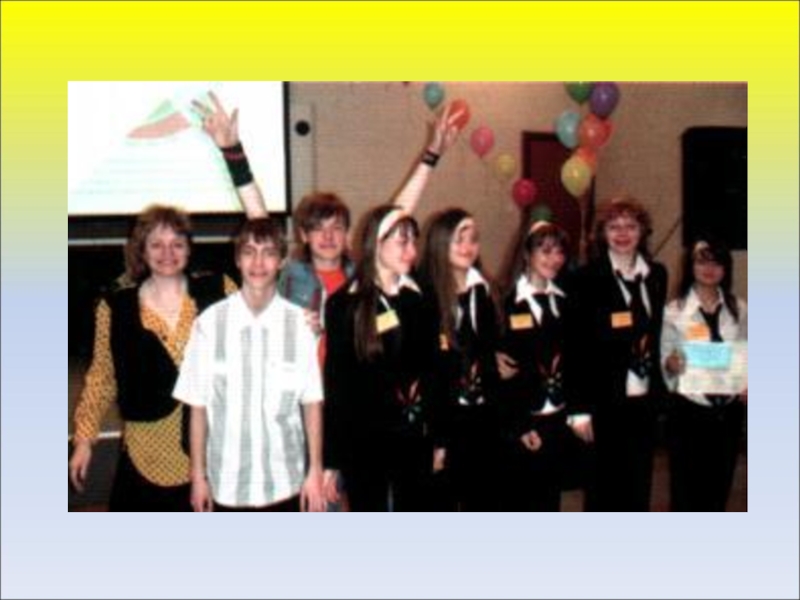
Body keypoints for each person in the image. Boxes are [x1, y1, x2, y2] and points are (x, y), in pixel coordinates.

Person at [195, 92, 461, 509]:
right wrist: (233, 151)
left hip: (351, 410)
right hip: (300, 409)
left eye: (337, 227)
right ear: (303, 235)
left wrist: (432, 154)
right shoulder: (287, 275)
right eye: (317, 228)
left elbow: (396, 216)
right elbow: (258, 216)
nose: (328, 236)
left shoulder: (362, 280)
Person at [68, 205, 252, 511]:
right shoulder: (115, 308)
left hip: (214, 453)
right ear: (142, 250)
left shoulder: (221, 291)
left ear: (189, 249)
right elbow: (101, 379)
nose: (168, 253)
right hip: (145, 455)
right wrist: (85, 441)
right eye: (156, 244)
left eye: (177, 244)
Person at [173, 218, 326, 512]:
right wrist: (198, 477)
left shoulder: (300, 325)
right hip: (226, 486)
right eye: (249, 252)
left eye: (268, 253)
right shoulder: (208, 324)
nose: (258, 262)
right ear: (237, 259)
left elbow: (312, 403)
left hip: (286, 484)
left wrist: (315, 470)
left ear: (281, 261)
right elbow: (197, 407)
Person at [323, 206, 443, 511]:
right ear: (376, 243)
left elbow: (433, 372)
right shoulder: (344, 304)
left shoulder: (421, 297)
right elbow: (337, 386)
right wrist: (332, 460)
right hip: (364, 442)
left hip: (414, 437)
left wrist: (439, 438)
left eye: (414, 241)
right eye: (402, 242)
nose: (412, 251)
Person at [571, 196, 668, 512]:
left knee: (638, 489)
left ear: (643, 231)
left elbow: (656, 335)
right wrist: (579, 410)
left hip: (644, 401)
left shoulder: (656, 275)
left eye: (631, 226)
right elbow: (577, 348)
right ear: (602, 233)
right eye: (614, 227)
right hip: (604, 402)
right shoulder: (586, 278)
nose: (623, 233)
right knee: (603, 492)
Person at [495, 220, 588, 511]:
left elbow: (576, 362)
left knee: (549, 503)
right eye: (545, 251)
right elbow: (501, 374)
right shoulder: (503, 302)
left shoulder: (566, 301)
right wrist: (520, 425)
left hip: (556, 420)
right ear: (526, 253)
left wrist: (577, 413)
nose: (554, 259)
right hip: (522, 421)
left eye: (559, 252)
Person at [417, 208, 501, 511]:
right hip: (445, 420)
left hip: (483, 417)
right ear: (440, 243)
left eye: (473, 239)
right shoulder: (424, 295)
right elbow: (426, 373)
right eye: (458, 240)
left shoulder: (486, 290)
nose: (468, 247)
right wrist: (437, 438)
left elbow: (491, 350)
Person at [661, 238, 747, 511]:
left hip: (728, 413)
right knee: (686, 492)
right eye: (702, 261)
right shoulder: (673, 311)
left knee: (718, 489)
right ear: (691, 266)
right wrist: (671, 365)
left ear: (726, 268)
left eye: (717, 262)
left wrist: (747, 384)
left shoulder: (740, 309)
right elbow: (664, 361)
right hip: (689, 410)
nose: (709, 269)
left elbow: (749, 353)